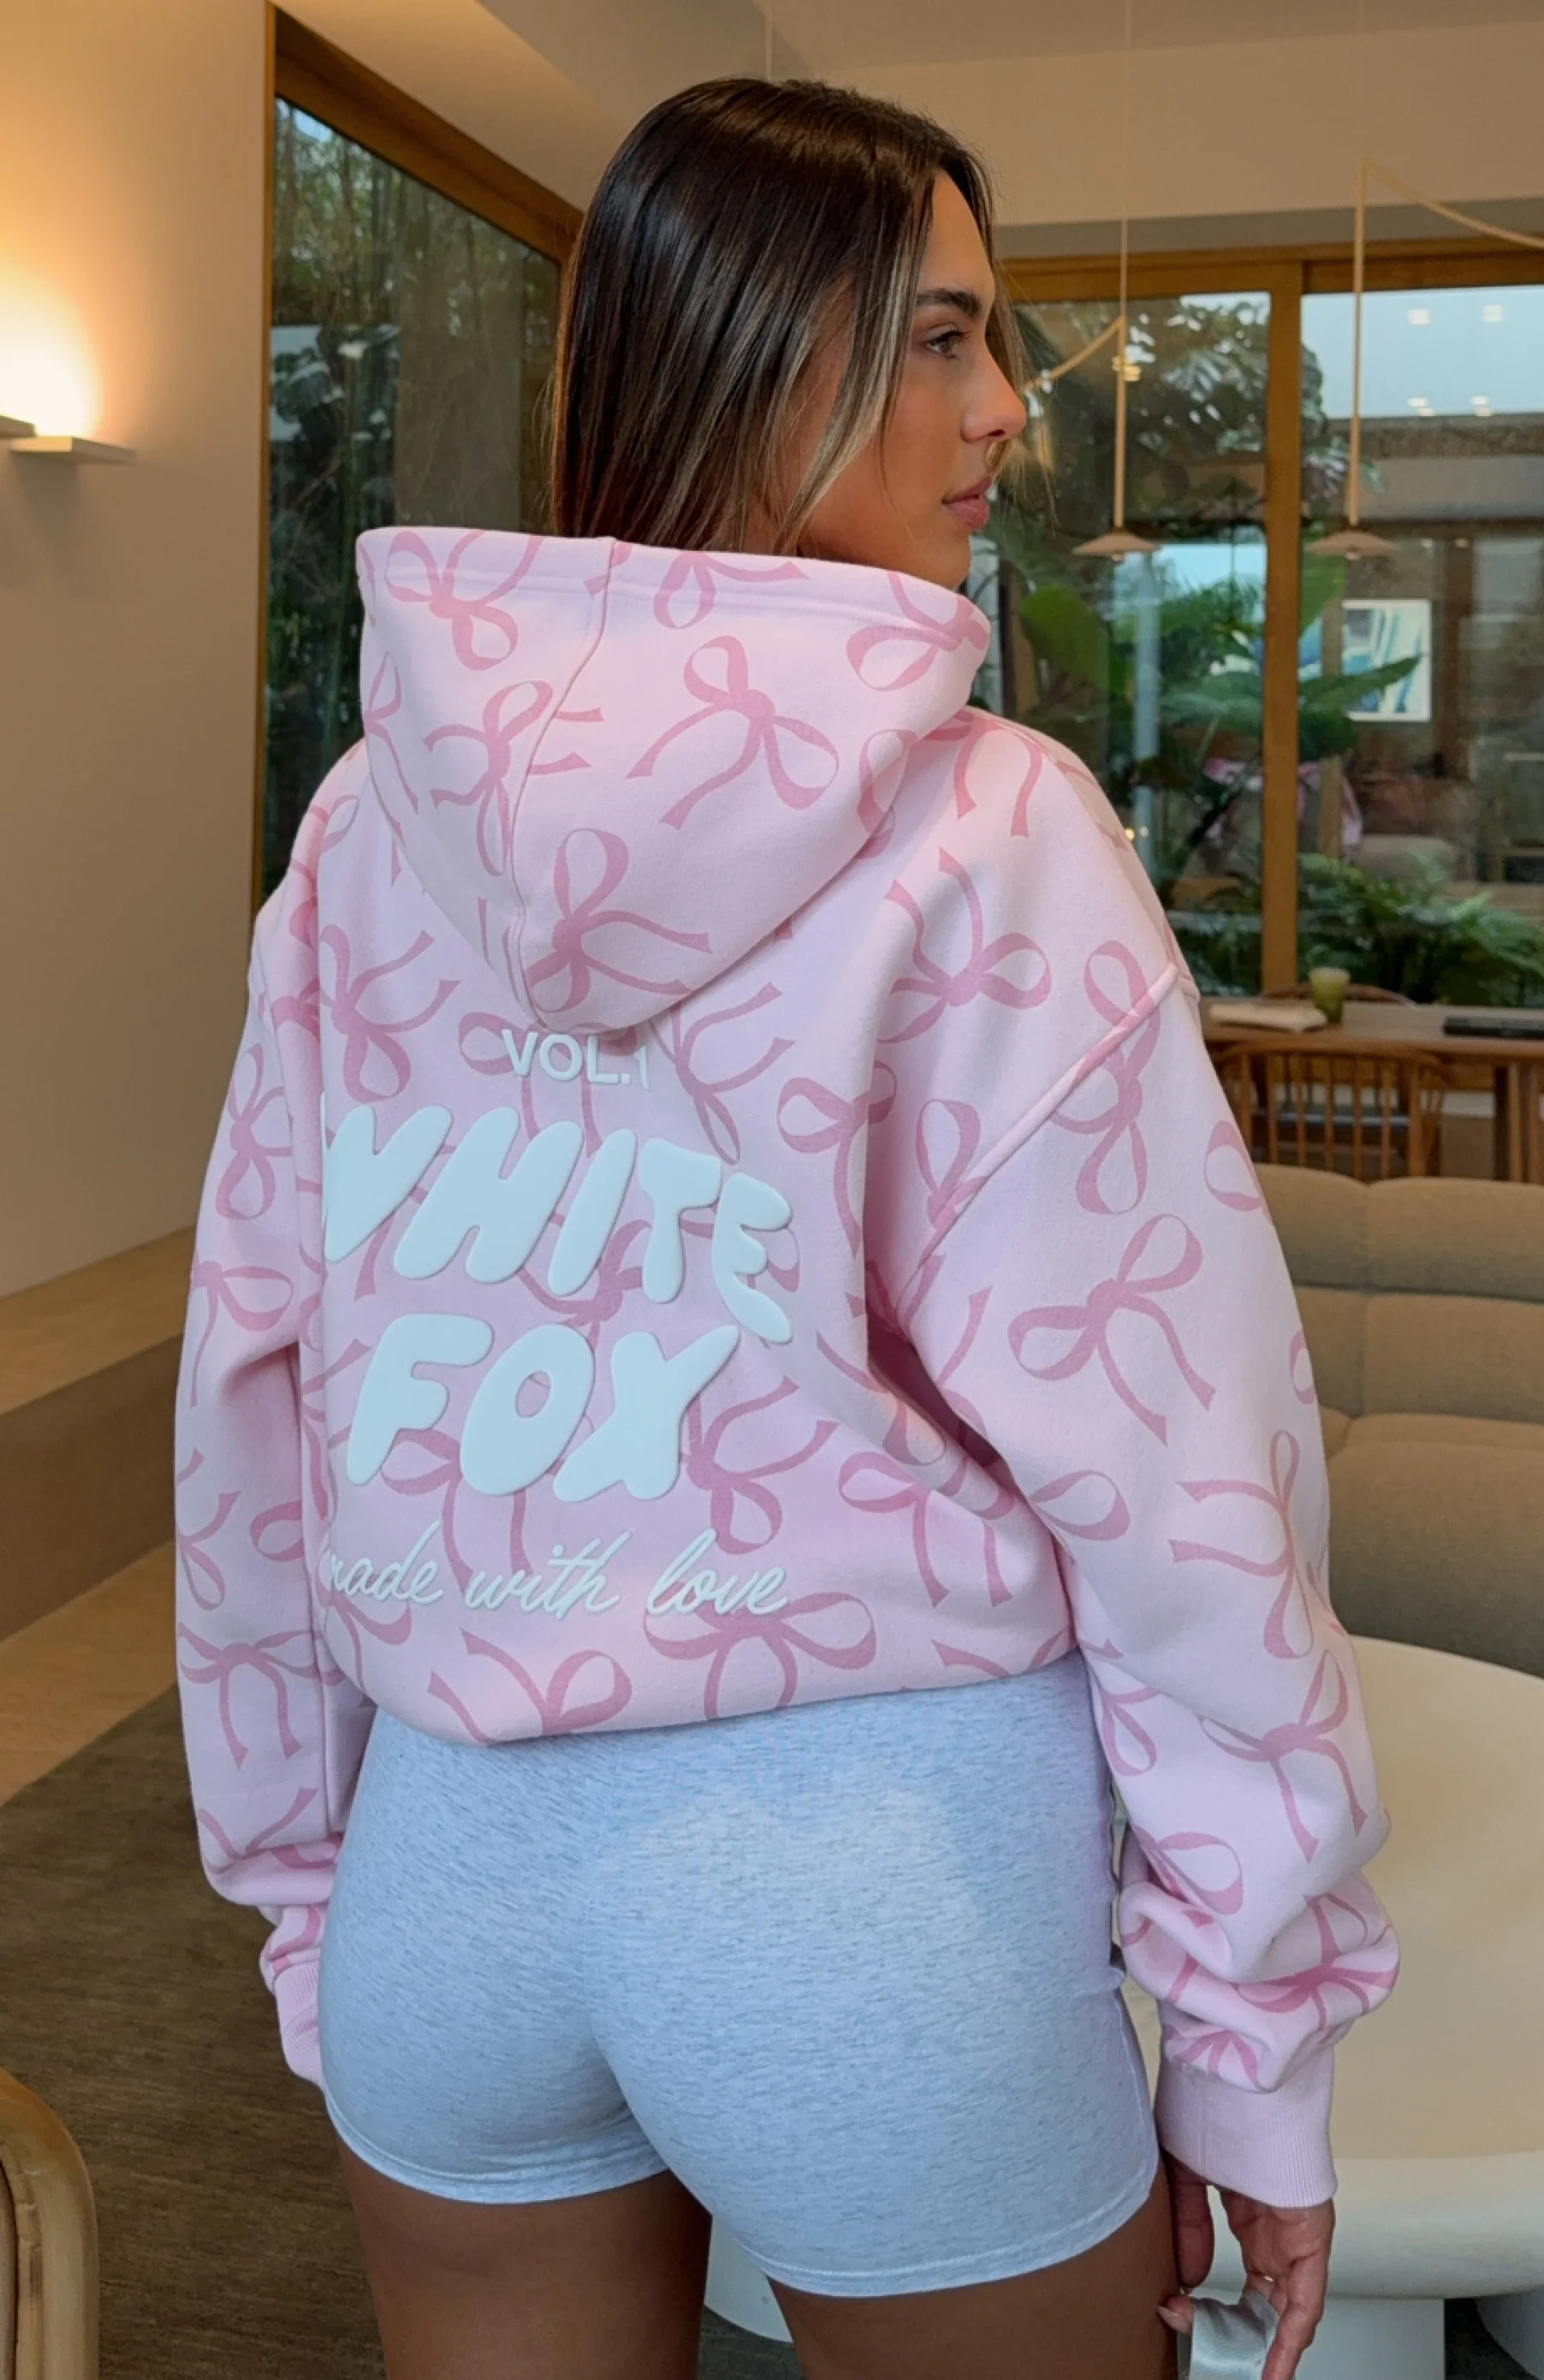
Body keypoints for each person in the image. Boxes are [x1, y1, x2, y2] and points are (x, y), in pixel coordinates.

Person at [175, 76, 1399, 2380]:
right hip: (883, 1890)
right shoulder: (993, 824)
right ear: (739, 356)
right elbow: (1176, 1476)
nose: (1004, 411)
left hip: (450, 1863)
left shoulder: (362, 827)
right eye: (937, 337)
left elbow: (258, 1392)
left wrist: (310, 1890)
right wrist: (1253, 2024)